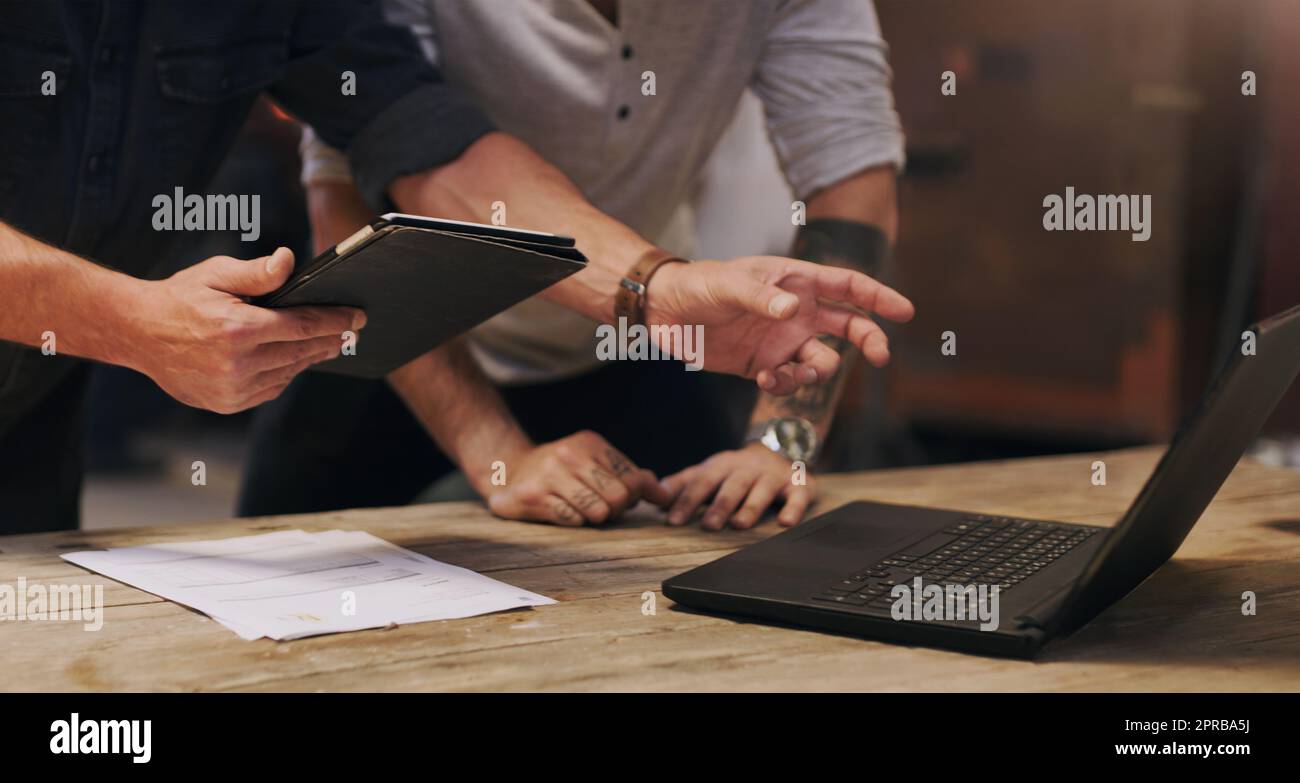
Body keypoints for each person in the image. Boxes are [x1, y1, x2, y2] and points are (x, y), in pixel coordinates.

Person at [0, 0, 910, 533]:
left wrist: (652, 288)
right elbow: (353, 196)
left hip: (32, 414)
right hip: (366, 363)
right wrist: (127, 320)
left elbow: (425, 140)